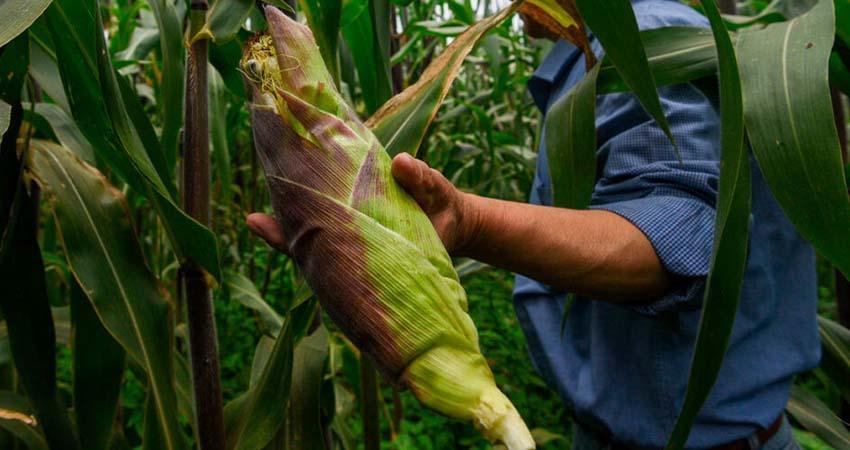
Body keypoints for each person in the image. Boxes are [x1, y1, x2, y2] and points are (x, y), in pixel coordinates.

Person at [247, 0, 820, 447]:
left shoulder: (647, 41)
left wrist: (468, 221)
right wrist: (341, 252)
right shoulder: (601, 53)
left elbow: (677, 238)